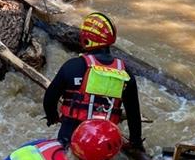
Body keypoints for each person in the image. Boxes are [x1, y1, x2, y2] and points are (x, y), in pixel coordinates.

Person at [43, 12, 144, 150]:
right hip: (103, 144)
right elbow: (134, 114)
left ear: (86, 39)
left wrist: (52, 117)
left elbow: (49, 99)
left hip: (71, 137)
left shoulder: (72, 66)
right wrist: (135, 143)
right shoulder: (125, 72)